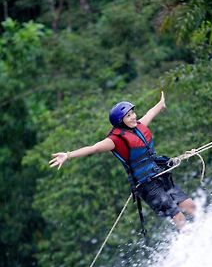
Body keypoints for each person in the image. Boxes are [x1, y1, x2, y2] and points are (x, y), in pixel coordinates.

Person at [49, 91, 196, 230]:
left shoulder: (138, 127)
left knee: (190, 206)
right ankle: (188, 240)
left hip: (159, 176)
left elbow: (150, 113)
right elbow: (93, 148)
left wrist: (161, 104)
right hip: (147, 186)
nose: (133, 117)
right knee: (177, 214)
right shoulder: (115, 141)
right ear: (121, 121)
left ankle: (205, 229)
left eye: (132, 113)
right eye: (128, 116)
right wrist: (68, 155)